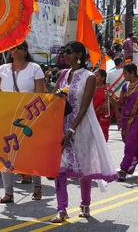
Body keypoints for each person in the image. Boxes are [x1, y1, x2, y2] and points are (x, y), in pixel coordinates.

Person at [50, 41, 118, 222]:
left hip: (81, 127)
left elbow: (85, 107)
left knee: (84, 167)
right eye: (64, 52)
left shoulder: (89, 77)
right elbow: (53, 97)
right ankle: (61, 209)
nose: (65, 55)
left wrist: (71, 130)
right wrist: (57, 96)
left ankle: (85, 204)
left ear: (79, 55)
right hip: (61, 125)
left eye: (69, 52)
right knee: (60, 168)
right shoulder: (63, 74)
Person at [0, 41, 44, 203]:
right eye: (13, 47)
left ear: (25, 51)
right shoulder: (1, 70)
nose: (15, 50)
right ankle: (8, 193)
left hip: (28, 118)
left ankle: (37, 186)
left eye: (18, 48)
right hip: (6, 117)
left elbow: (40, 95)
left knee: (31, 154)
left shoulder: (35, 69)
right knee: (6, 153)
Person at [93, 69, 120, 142]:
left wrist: (118, 118)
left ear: (103, 78)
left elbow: (115, 103)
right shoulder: (90, 89)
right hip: (92, 118)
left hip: (103, 120)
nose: (94, 77)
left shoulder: (107, 90)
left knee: (102, 140)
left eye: (96, 76)